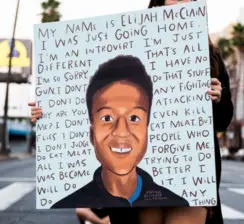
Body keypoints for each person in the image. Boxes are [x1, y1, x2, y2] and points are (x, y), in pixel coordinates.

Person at [30, 0, 233, 224]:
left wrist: (218, 99)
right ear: (159, 6)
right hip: (143, 176)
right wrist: (49, 112)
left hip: (190, 175)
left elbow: (223, 121)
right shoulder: (129, 45)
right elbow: (93, 100)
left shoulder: (209, 55)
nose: (188, 3)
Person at [50, 55, 189, 209]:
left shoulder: (176, 203)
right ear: (91, 135)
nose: (121, 131)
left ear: (147, 130)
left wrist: (216, 98)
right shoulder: (67, 203)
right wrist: (44, 116)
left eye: (134, 118)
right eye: (107, 117)